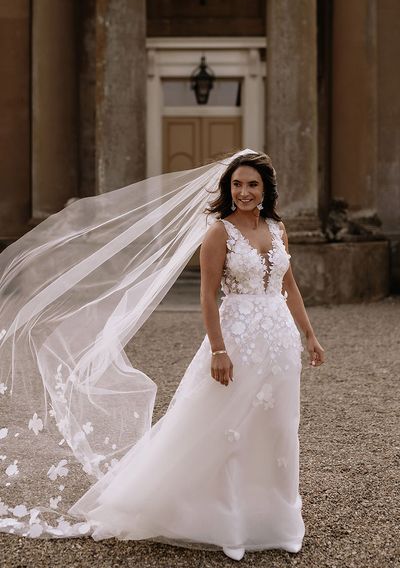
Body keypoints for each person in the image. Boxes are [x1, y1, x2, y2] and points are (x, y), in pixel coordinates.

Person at [0, 150, 324, 561]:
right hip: (236, 338)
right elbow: (207, 297)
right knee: (227, 430)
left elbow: (288, 285)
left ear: (266, 189)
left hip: (279, 343)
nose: (243, 191)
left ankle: (277, 520)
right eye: (237, 184)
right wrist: (219, 350)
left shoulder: (278, 229)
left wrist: (309, 335)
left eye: (252, 184)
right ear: (228, 188)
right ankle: (229, 523)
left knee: (277, 429)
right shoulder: (218, 234)